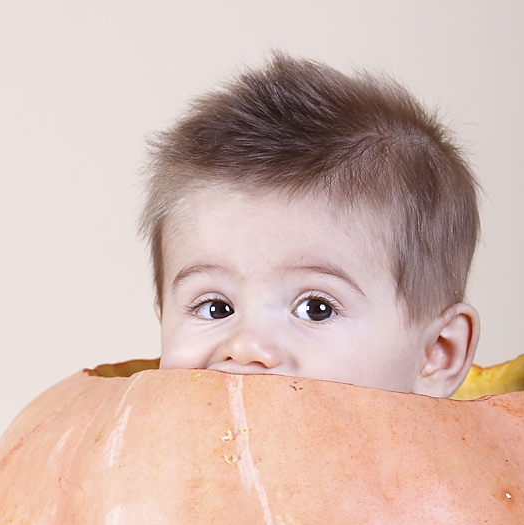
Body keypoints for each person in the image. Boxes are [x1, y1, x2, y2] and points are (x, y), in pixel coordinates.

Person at [139, 53, 480, 396]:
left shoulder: (482, 451)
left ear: (437, 353)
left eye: (317, 309)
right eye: (215, 309)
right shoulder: (129, 445)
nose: (245, 347)